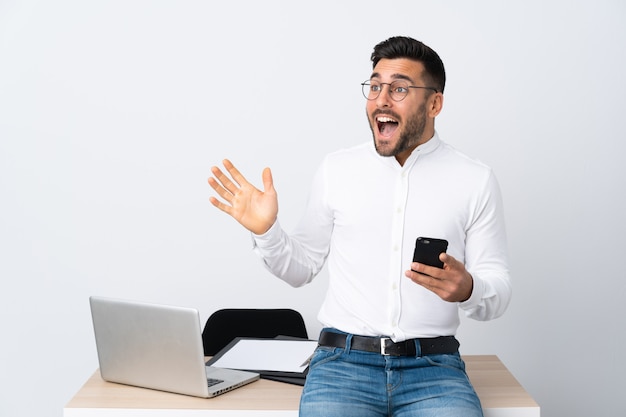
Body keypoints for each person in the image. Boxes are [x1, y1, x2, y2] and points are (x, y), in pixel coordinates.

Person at [208, 36, 511, 417]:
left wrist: (468, 289)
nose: (381, 99)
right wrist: (267, 231)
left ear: (434, 103)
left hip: (434, 370)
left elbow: (498, 289)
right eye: (375, 86)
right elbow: (300, 269)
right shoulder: (337, 170)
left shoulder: (474, 179)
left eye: (399, 88)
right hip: (342, 366)